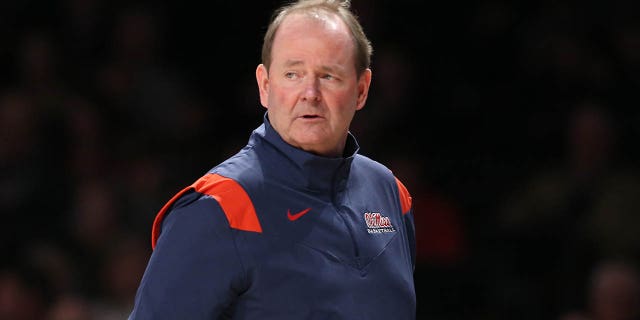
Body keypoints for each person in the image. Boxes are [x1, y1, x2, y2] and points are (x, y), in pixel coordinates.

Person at [127, 0, 416, 319]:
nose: (310, 92)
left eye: (329, 76)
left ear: (361, 90)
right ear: (265, 86)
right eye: (293, 73)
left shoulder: (390, 193)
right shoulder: (219, 209)